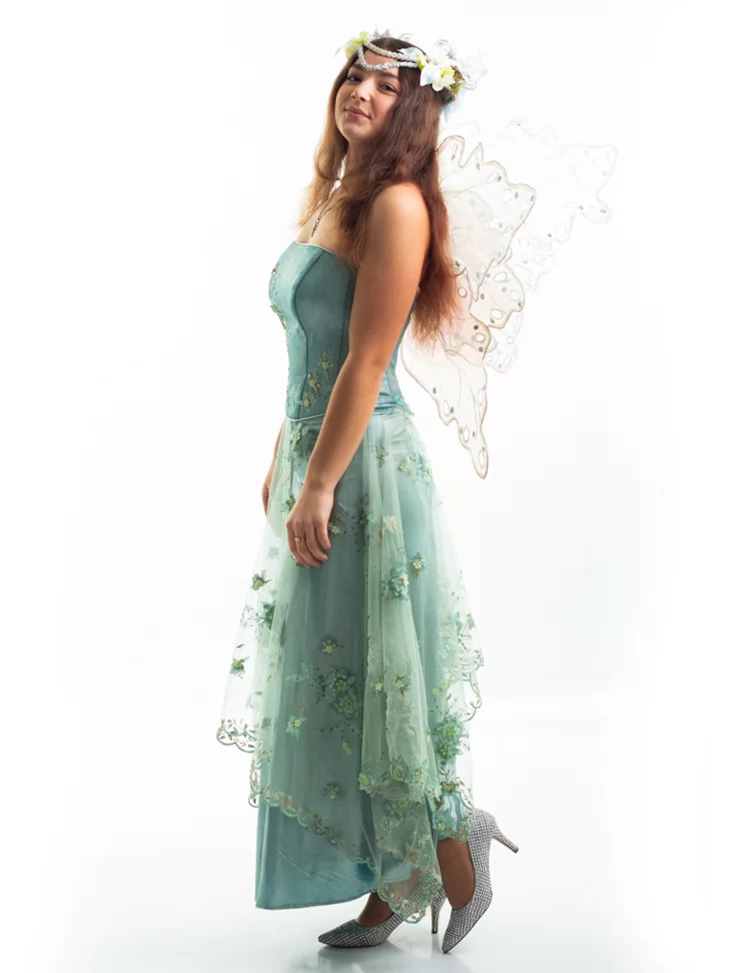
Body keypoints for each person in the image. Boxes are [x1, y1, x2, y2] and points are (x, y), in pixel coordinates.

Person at [216, 31, 523, 953]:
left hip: (368, 471)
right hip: (323, 452)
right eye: (355, 75)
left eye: (386, 87)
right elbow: (310, 351)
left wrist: (319, 479)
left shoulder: (395, 204)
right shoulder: (336, 197)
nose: (361, 91)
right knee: (343, 675)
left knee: (382, 676)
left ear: (414, 110)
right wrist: (286, 450)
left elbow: (369, 356)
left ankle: (450, 843)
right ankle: (400, 873)